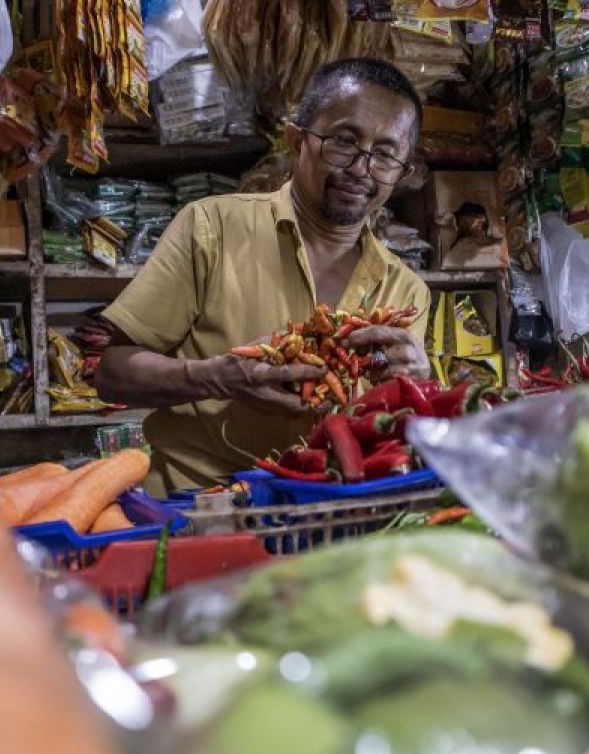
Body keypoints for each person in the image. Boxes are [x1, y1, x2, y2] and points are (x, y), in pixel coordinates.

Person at [81, 58, 432, 495]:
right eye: (344, 141)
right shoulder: (211, 228)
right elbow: (110, 373)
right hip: (199, 509)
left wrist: (419, 384)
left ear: (402, 171)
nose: (362, 169)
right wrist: (217, 376)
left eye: (385, 154)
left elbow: (393, 431)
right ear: (296, 140)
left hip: (331, 512)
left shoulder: (406, 291)